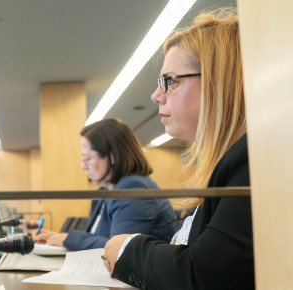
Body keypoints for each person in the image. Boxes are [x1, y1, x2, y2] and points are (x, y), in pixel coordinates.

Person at [104, 8, 253, 289]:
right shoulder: (235, 160)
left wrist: (129, 248)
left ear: (218, 81)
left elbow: (204, 277)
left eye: (169, 81)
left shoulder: (252, 160)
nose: (156, 95)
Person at [32, 118, 177, 251]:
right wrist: (57, 237)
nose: (83, 166)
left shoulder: (134, 189)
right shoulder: (106, 190)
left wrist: (67, 239)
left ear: (112, 157)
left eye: (88, 158)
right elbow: (99, 237)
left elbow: (119, 248)